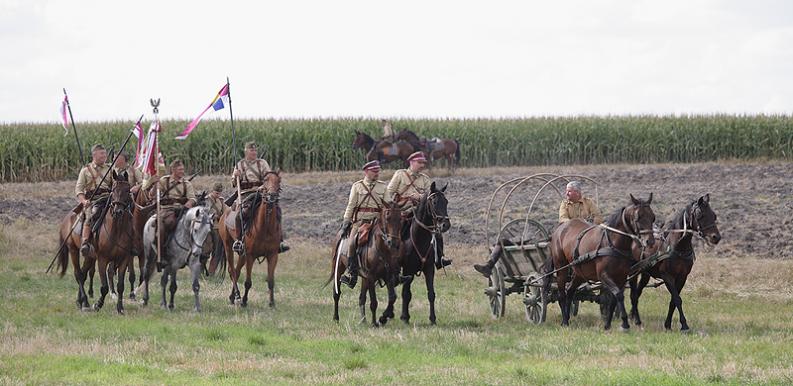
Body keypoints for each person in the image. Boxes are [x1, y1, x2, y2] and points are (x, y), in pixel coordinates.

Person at [474, 180, 603, 278]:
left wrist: (588, 224)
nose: (566, 193)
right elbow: (563, 219)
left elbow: (598, 217)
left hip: (586, 234)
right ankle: (489, 265)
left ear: (577, 192)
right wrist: (577, 225)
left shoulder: (588, 202)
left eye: (569, 191)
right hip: (569, 235)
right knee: (507, 241)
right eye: (566, 191)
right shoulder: (564, 204)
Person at [387, 151, 452, 269]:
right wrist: (403, 199)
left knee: (436, 231)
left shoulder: (425, 179)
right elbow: (388, 194)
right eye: (420, 162)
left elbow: (432, 195)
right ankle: (393, 261)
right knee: (395, 234)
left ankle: (439, 258)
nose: (422, 165)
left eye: (423, 163)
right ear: (411, 162)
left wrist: (419, 197)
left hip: (419, 213)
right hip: (403, 212)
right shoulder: (400, 175)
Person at [230, 141, 289, 254]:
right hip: (246, 194)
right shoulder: (239, 165)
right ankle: (239, 241)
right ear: (246, 151)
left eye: (255, 150)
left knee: (277, 211)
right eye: (251, 150)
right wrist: (235, 176)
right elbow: (233, 183)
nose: (254, 152)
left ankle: (279, 240)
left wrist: (263, 187)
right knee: (240, 215)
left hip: (262, 192)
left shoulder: (262, 163)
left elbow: (269, 177)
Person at [338, 160, 390, 288]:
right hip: (359, 223)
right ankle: (351, 273)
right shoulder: (357, 186)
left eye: (378, 171)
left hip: (377, 223)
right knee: (351, 243)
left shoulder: (383, 187)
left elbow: (389, 204)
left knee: (392, 241)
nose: (377, 174)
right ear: (366, 172)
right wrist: (346, 221)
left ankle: (394, 271)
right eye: (374, 171)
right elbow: (351, 206)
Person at [154, 159, 196, 268]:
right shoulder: (164, 181)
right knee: (164, 226)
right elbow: (153, 195)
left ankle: (194, 254)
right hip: (166, 210)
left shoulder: (187, 184)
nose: (182, 171)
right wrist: (155, 184)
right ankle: (161, 254)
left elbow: (192, 198)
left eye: (183, 169)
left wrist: (189, 204)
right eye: (180, 169)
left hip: (182, 210)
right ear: (173, 170)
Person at [75, 144, 112, 258]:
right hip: (94, 200)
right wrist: (84, 201)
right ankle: (85, 242)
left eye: (105, 154)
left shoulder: (110, 168)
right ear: (94, 154)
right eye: (102, 154)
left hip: (109, 198)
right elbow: (79, 189)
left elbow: (115, 183)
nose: (104, 156)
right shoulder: (85, 170)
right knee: (91, 215)